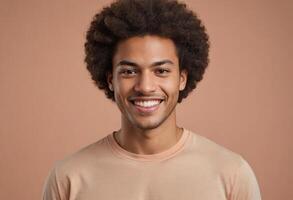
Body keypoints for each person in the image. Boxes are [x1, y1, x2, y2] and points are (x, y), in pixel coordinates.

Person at [42, 0, 261, 199]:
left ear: (182, 79)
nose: (145, 86)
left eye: (162, 71)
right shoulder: (68, 178)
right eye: (129, 71)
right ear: (111, 80)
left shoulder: (231, 174)